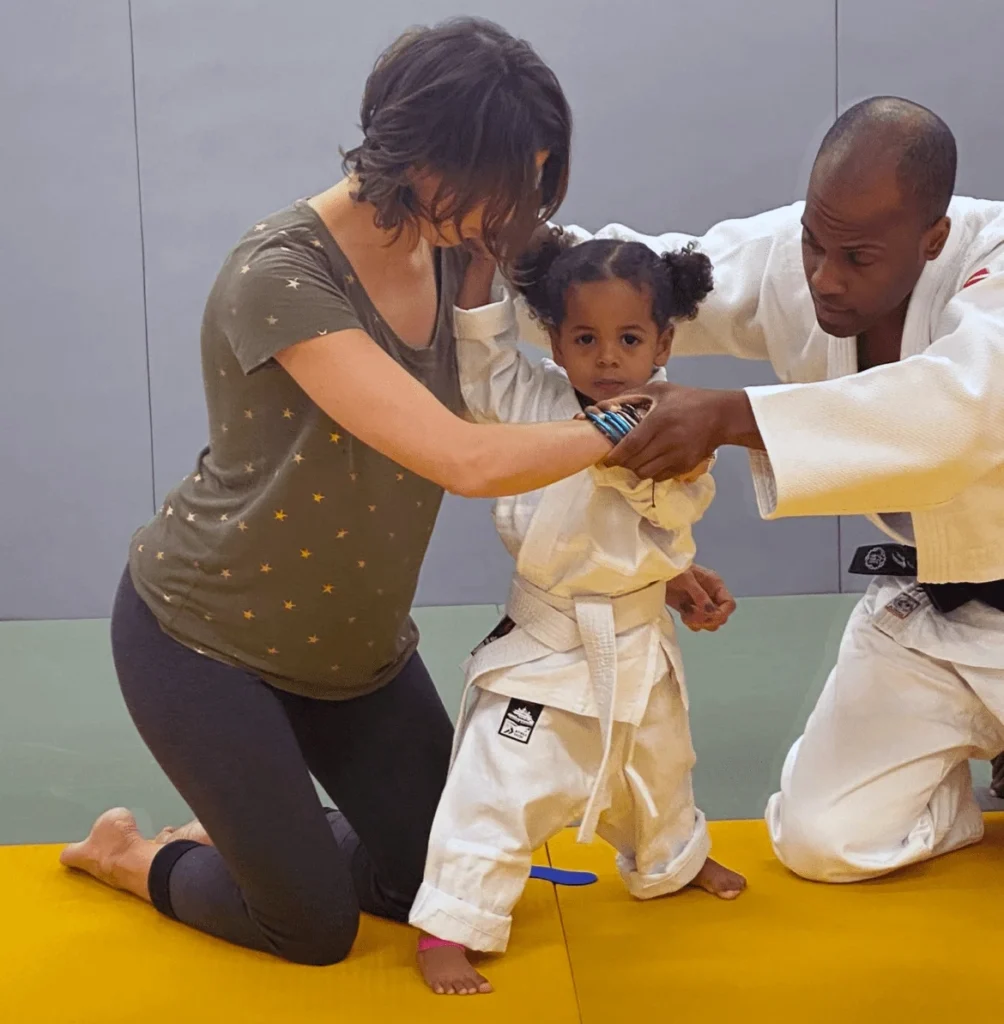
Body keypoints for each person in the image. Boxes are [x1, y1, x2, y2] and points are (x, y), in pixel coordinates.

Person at [57, 18, 642, 966]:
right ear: (421, 156)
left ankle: (264, 831)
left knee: (449, 885)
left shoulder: (465, 240)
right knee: (312, 929)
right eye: (503, 184)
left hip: (356, 655)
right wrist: (629, 426)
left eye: (532, 184)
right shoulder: (279, 274)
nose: (517, 211)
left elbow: (629, 285)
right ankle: (134, 855)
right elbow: (463, 457)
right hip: (205, 641)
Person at [527, 96, 1004, 883]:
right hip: (937, 615)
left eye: (857, 258)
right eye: (816, 244)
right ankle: (950, 794)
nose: (824, 277)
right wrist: (508, 252)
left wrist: (727, 414)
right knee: (824, 842)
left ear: (933, 239)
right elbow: (650, 276)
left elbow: (959, 412)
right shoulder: (807, 254)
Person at [409, 229, 744, 995]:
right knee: (497, 780)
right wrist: (483, 267)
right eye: (585, 337)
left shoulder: (680, 421)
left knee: (659, 766)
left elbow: (670, 515)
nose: (606, 356)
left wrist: (674, 573)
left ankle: (672, 861)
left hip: (637, 634)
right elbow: (482, 360)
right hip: (550, 639)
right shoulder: (533, 400)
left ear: (663, 341)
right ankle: (449, 923)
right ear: (555, 339)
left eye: (629, 338)